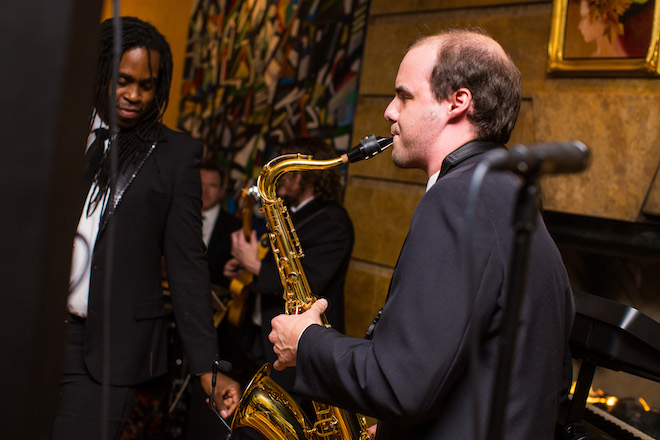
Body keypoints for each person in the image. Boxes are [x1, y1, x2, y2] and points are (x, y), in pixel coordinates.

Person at [267, 27, 575, 440]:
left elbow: (401, 385)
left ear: (457, 103)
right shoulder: (515, 201)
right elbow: (548, 381)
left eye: (405, 95)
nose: (389, 112)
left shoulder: (457, 200)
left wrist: (305, 343)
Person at [49, 16, 239, 440]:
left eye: (147, 85)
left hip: (105, 351)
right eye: (123, 80)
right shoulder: (59, 126)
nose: (134, 95)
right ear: (101, 72)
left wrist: (207, 368)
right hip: (31, 334)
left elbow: (188, 266)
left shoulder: (175, 156)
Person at [224, 137, 354, 412]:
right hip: (261, 337)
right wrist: (244, 269)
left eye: (286, 168)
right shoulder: (285, 213)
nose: (278, 174)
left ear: (307, 173)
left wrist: (255, 266)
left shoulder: (334, 221)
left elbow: (311, 281)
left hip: (296, 351)